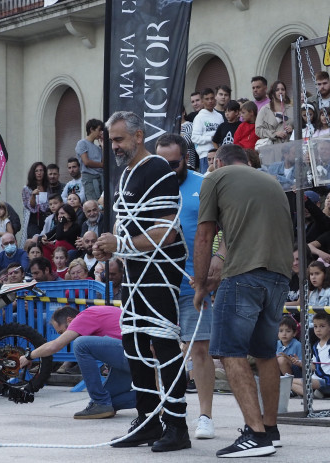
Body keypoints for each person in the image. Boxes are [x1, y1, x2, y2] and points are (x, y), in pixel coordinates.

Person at [93, 111, 190, 452]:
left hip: (159, 270)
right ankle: (148, 419)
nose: (113, 146)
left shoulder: (157, 169)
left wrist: (119, 245)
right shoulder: (128, 174)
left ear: (138, 136)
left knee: (162, 343)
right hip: (135, 271)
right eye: (111, 140)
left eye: (119, 139)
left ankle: (177, 425)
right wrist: (111, 247)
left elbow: (166, 230)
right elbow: (129, 225)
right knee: (134, 343)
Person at [193, 144, 292, 457]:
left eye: (211, 164)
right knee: (265, 353)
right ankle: (270, 429)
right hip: (278, 275)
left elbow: (205, 235)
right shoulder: (271, 181)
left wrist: (199, 285)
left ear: (219, 162)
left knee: (230, 353)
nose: (210, 168)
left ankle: (255, 435)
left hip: (244, 276)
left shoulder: (216, 177)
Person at [154, 133, 215, 440]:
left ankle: (205, 416)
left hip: (194, 282)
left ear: (186, 159)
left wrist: (213, 269)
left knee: (200, 350)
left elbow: (221, 230)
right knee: (160, 351)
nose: (167, 169)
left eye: (173, 163)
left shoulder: (204, 185)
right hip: (157, 283)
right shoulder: (149, 186)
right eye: (161, 163)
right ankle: (168, 409)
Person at [20, 305, 135, 418]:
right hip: (134, 358)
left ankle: (99, 402)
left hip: (133, 354)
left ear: (69, 320)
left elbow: (54, 346)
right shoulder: (97, 314)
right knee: (109, 402)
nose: (64, 335)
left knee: (80, 344)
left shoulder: (84, 316)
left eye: (62, 332)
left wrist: (29, 356)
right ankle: (151, 398)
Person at [290, 313, 330, 399]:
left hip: (329, 382)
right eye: (315, 326)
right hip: (316, 379)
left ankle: (309, 393)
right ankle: (312, 394)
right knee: (289, 382)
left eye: (322, 326)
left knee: (293, 381)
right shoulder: (316, 346)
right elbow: (314, 367)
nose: (318, 330)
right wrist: (300, 363)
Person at [191, 88, 224, 173]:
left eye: (212, 98)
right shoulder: (199, 117)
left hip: (219, 154)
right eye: (207, 99)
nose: (210, 101)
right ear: (202, 101)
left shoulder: (219, 116)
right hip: (206, 155)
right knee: (206, 181)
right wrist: (211, 138)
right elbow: (194, 138)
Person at [255, 80, 293, 145]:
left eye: (282, 89)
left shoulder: (291, 109)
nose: (280, 92)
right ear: (272, 94)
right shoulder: (265, 110)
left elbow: (301, 127)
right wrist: (275, 133)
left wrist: (292, 129)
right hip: (272, 147)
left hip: (289, 148)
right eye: (277, 90)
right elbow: (258, 130)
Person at [76, 119, 105, 202]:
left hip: (100, 177)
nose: (101, 133)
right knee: (93, 203)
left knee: (102, 202)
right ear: (91, 129)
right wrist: (101, 165)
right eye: (99, 130)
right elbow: (86, 162)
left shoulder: (98, 147)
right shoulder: (82, 143)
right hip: (89, 178)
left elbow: (104, 162)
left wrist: (103, 147)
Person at [22, 161, 50, 239]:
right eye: (36, 171)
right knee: (35, 240)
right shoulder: (27, 189)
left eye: (41, 170)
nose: (39, 173)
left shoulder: (48, 187)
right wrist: (33, 195)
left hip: (46, 219)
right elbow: (30, 206)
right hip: (33, 219)